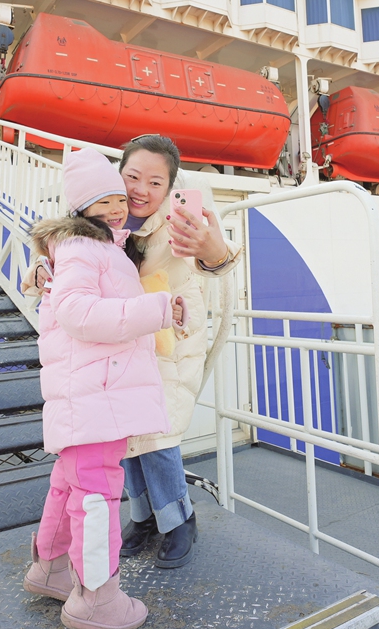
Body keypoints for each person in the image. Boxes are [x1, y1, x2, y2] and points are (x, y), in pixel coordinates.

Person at [24, 135, 242, 570]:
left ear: (169, 187)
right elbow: (63, 268)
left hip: (169, 344)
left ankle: (179, 519)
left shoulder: (180, 220)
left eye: (156, 182)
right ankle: (143, 518)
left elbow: (218, 261)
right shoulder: (98, 218)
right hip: (121, 345)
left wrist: (214, 250)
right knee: (127, 440)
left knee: (159, 441)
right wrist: (40, 271)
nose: (141, 190)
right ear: (116, 176)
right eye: (133, 177)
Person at [23, 147, 185, 629]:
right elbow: (77, 312)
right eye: (105, 200)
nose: (118, 207)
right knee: (96, 493)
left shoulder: (92, 248)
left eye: (120, 197)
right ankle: (97, 597)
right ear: (81, 208)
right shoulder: (88, 249)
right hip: (96, 392)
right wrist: (155, 310)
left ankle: (50, 568)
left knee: (71, 481)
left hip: (92, 391)